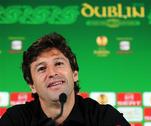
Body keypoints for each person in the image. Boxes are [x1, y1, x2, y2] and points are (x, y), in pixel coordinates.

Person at [0, 32, 130, 126]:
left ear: (74, 74)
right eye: (41, 68)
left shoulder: (104, 117)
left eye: (58, 64)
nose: (52, 73)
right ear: (32, 85)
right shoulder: (15, 120)